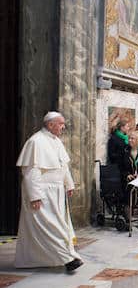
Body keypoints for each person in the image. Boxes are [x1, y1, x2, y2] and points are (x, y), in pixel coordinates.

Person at [15, 112, 83, 271]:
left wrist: (69, 184)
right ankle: (68, 259)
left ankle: (45, 258)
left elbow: (63, 166)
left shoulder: (56, 141)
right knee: (49, 226)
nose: (63, 127)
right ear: (50, 124)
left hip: (56, 192)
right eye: (61, 124)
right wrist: (35, 196)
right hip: (42, 193)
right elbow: (31, 172)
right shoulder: (35, 141)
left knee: (55, 225)